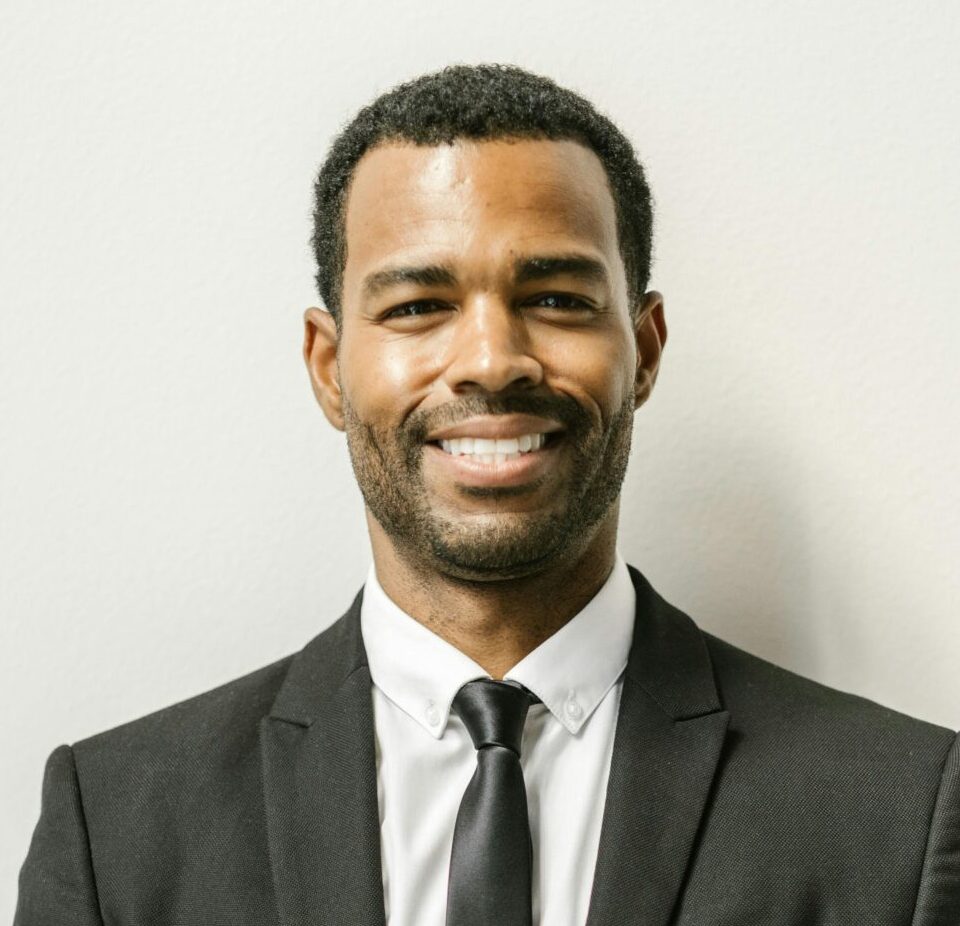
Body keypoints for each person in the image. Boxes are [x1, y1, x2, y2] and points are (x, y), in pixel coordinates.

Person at [14, 63, 959, 926]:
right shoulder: (119, 829)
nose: (492, 361)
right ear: (329, 367)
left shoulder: (900, 813)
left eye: (556, 298)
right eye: (418, 306)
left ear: (647, 351)